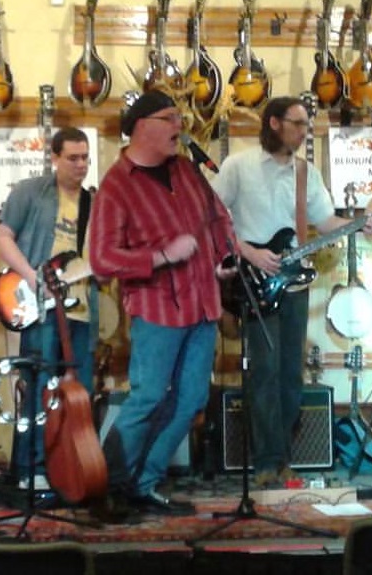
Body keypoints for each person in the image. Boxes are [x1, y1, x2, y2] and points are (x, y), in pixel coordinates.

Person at [210, 96, 372, 488]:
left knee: (290, 375)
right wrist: (249, 252)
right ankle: (266, 461)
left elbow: (325, 220)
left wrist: (359, 224)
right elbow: (212, 219)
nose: (305, 132)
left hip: (296, 283)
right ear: (274, 123)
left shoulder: (308, 173)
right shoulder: (239, 166)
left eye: (307, 125)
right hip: (254, 281)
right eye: (298, 124)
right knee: (264, 372)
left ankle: (281, 458)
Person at [89, 90, 236, 516]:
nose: (179, 127)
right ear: (142, 126)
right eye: (170, 118)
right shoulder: (116, 187)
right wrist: (160, 256)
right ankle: (110, 486)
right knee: (148, 396)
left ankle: (144, 483)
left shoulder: (188, 171)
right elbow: (101, 258)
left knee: (191, 400)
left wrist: (223, 256)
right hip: (157, 311)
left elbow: (218, 218)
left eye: (179, 117)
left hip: (203, 304)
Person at [0, 126, 97, 491]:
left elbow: (98, 258)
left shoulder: (93, 203)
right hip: (40, 305)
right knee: (39, 386)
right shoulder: (30, 192)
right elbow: (3, 237)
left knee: (77, 394)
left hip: (82, 310)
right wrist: (31, 276)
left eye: (85, 158)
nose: (80, 165)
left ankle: (67, 469)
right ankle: (29, 469)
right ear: (54, 158)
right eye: (72, 158)